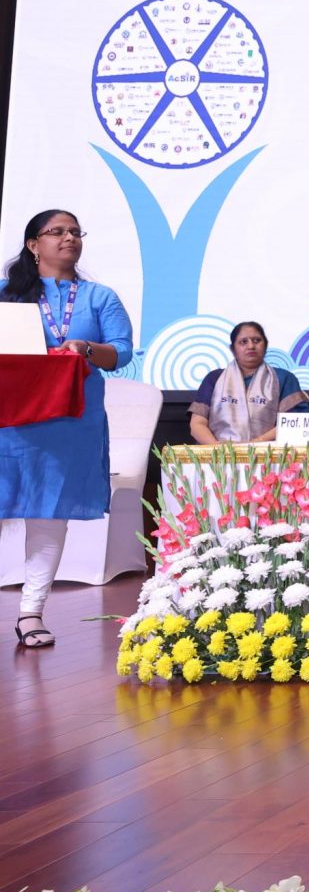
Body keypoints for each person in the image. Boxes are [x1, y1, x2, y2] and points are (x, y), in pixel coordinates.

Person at [1, 210, 133, 649]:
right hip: (9, 421)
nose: (69, 238)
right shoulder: (6, 295)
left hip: (69, 423)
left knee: (49, 515)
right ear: (33, 244)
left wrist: (87, 348)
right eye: (57, 232)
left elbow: (122, 352)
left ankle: (31, 612)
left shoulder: (99, 297)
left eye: (75, 232)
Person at [189, 322, 309, 445]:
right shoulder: (214, 378)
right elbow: (197, 424)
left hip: (267, 452)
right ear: (233, 349)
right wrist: (216, 447)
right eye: (243, 342)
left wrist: (254, 444)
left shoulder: (284, 378)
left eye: (256, 340)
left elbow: (294, 424)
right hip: (217, 453)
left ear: (265, 345)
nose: (251, 346)